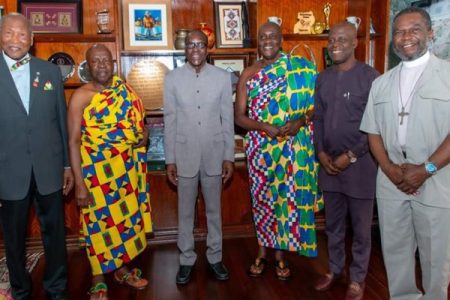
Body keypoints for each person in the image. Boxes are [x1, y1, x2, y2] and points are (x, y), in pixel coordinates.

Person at [360, 7, 450, 300]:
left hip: (436, 179)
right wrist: (387, 169)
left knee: (436, 257)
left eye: (414, 29)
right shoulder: (381, 83)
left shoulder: (447, 74)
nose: (405, 37)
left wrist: (426, 170)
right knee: (395, 253)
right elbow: (372, 132)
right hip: (391, 180)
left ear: (430, 33)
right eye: (399, 31)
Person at [234, 22, 323, 280]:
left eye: (273, 36)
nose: (268, 40)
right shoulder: (249, 73)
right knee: (262, 201)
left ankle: (281, 255)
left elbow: (316, 105)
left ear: (281, 40)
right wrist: (263, 126)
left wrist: (301, 121)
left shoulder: (299, 69)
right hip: (260, 150)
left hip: (291, 149)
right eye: (263, 37)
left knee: (285, 201)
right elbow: (239, 117)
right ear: (258, 42)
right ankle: (262, 251)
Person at [67, 44, 152, 300]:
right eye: (96, 61)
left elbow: (140, 125)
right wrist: (80, 185)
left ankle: (121, 269)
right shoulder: (81, 96)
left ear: (113, 64)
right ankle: (98, 277)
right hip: (95, 176)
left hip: (125, 172)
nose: (102, 65)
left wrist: (144, 136)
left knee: (123, 223)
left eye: (106, 60)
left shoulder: (124, 89)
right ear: (88, 66)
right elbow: (72, 141)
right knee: (98, 225)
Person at [0, 13, 74, 300]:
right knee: (14, 239)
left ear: (31, 40)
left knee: (55, 235)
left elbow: (61, 119)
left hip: (49, 168)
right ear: (1, 36)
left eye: (22, 35)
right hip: (8, 171)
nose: (15, 39)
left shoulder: (50, 72)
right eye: (9, 33)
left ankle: (56, 289)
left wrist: (67, 164)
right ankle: (20, 291)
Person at [312, 22, 379, 300]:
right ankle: (336, 269)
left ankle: (358, 278)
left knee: (361, 229)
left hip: (360, 167)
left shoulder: (371, 78)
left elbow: (377, 127)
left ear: (355, 43)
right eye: (331, 39)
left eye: (342, 39)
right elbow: (317, 119)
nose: (335, 43)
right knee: (333, 226)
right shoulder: (323, 78)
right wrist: (321, 153)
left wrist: (350, 155)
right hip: (329, 167)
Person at [163, 30, 234, 285]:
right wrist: (169, 159)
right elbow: (169, 121)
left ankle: (215, 258)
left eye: (200, 45)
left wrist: (229, 156)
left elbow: (227, 119)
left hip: (215, 155)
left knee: (214, 211)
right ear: (185, 48)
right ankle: (186, 260)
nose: (195, 49)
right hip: (184, 156)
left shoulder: (223, 78)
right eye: (191, 44)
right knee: (185, 213)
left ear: (207, 49)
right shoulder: (172, 79)